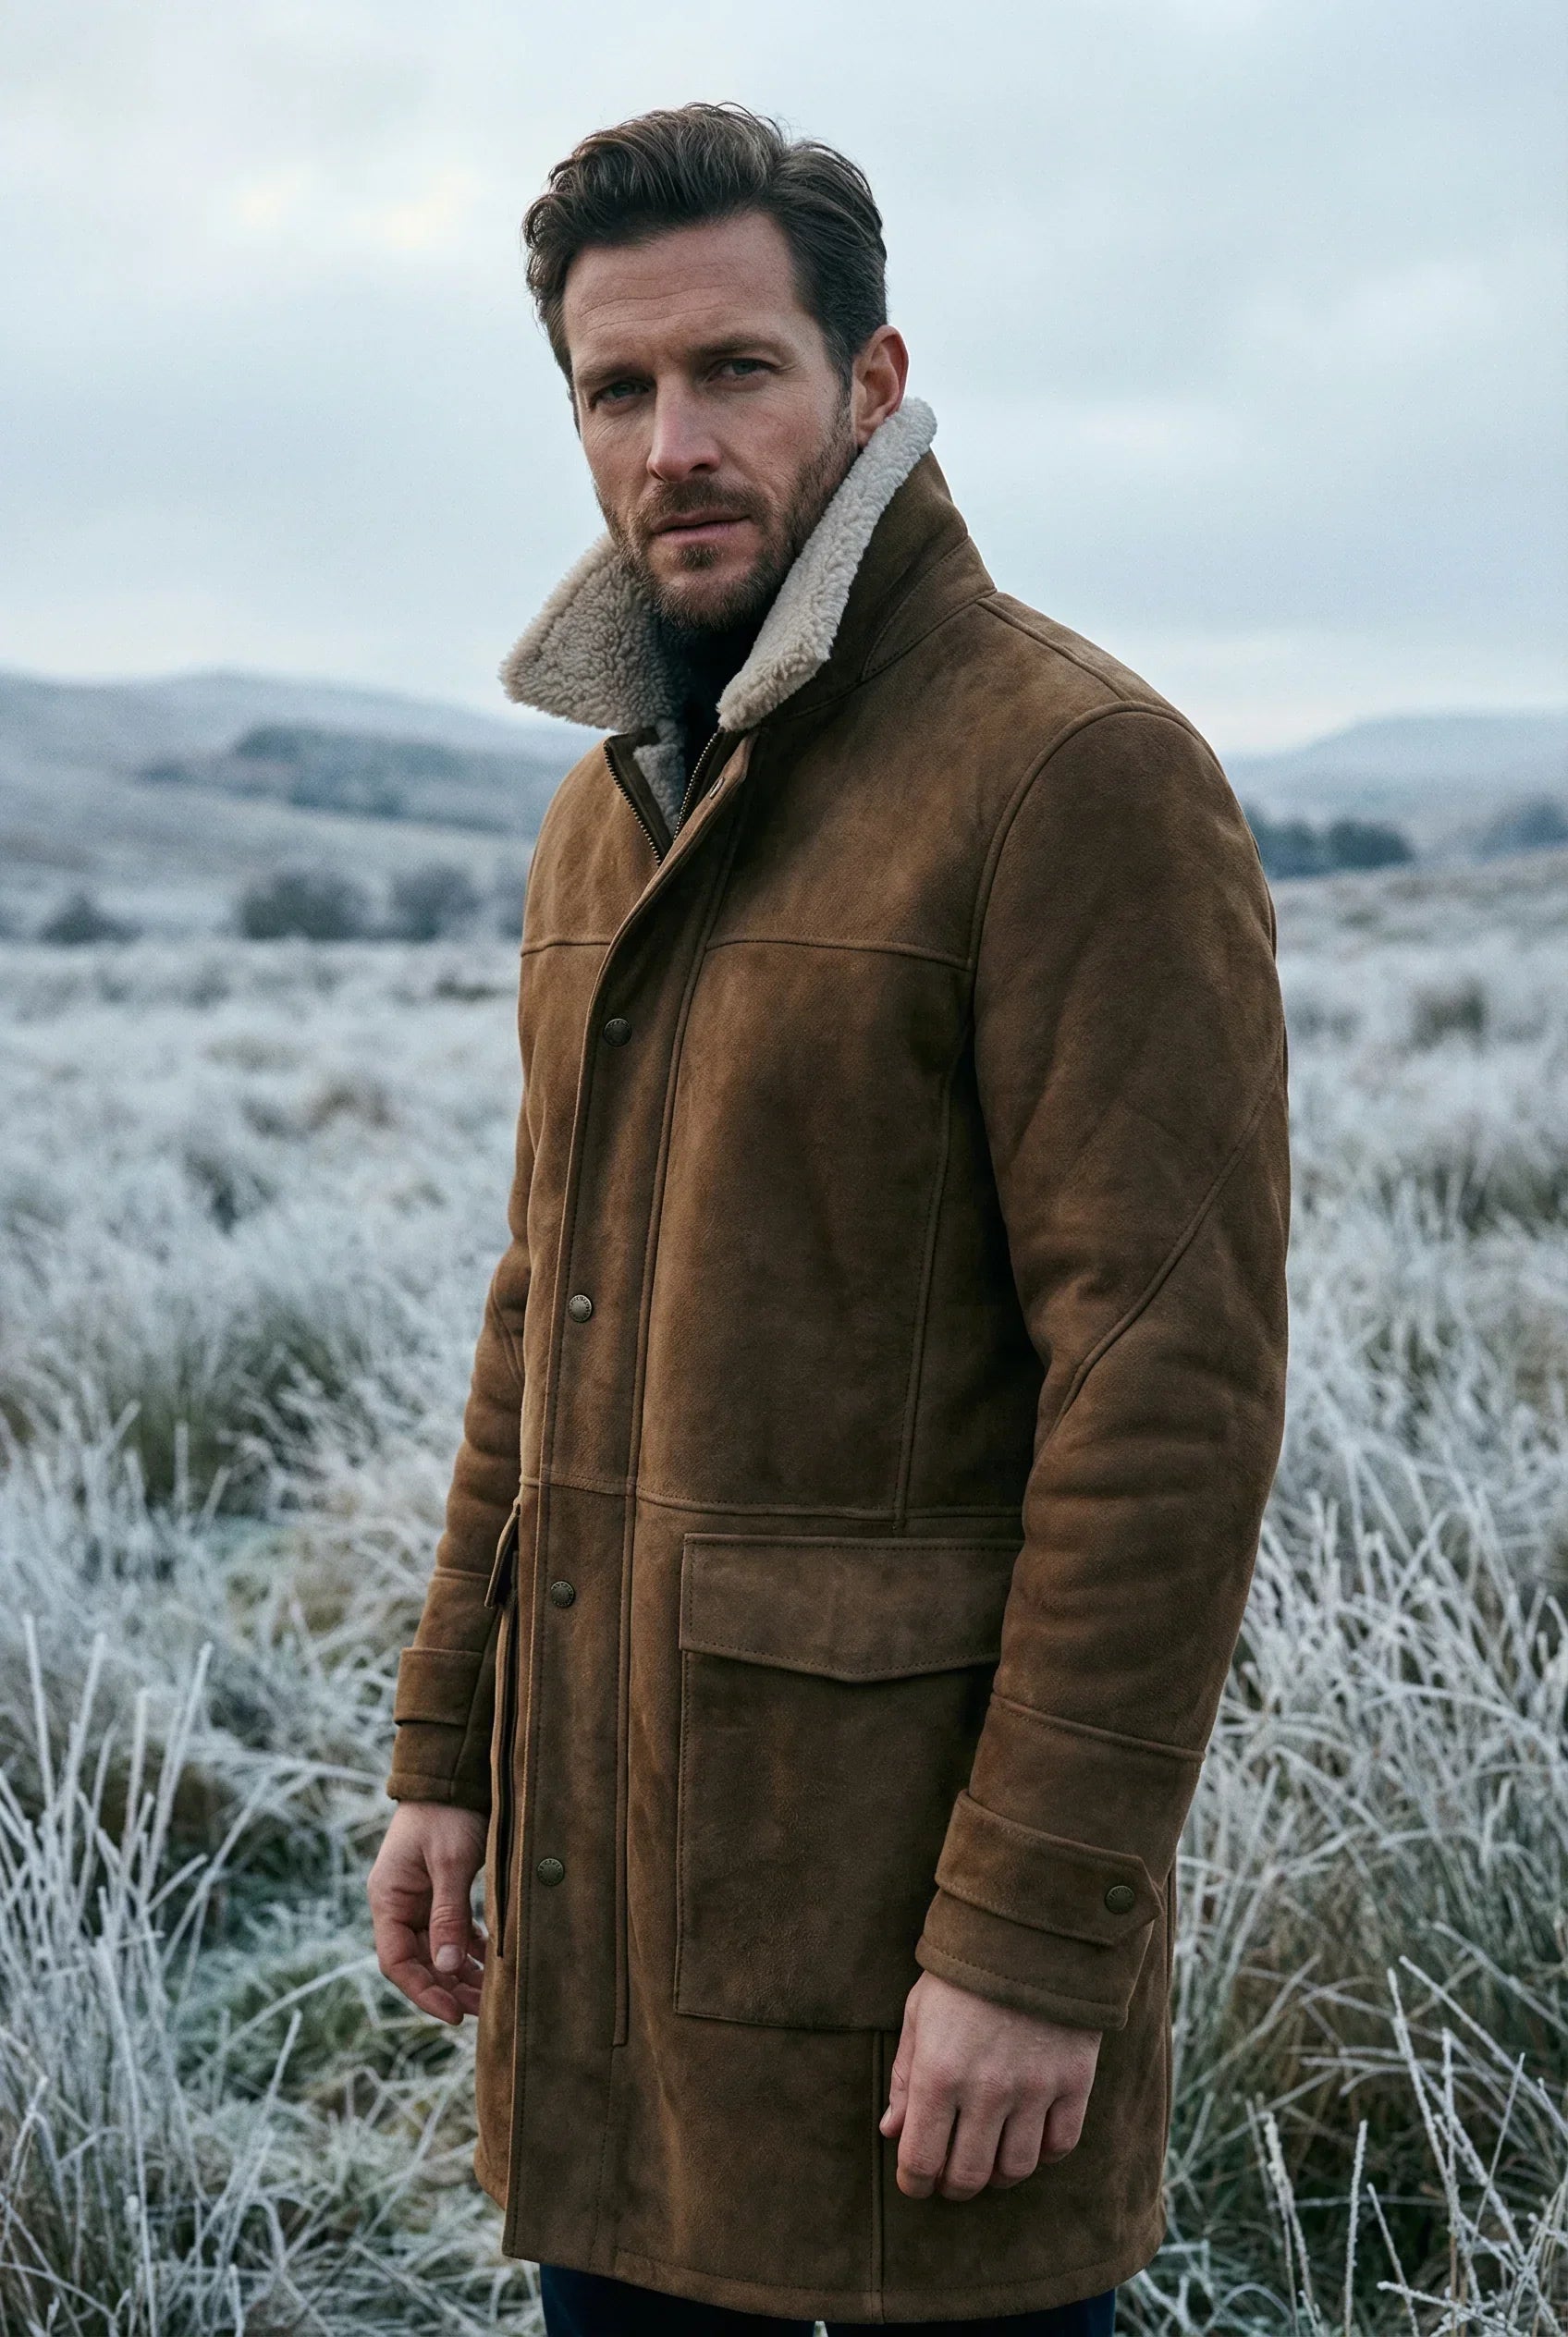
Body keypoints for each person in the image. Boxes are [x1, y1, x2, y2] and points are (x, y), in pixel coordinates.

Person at [367, 102, 1291, 2336]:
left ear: (867, 388)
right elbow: (540, 1309)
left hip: (909, 1987)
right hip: (612, 1940)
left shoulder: (1070, 772)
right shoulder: (608, 819)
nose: (673, 440)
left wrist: (1031, 1938)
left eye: (735, 371)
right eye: (618, 388)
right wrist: (446, 1753)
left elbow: (1163, 1394)